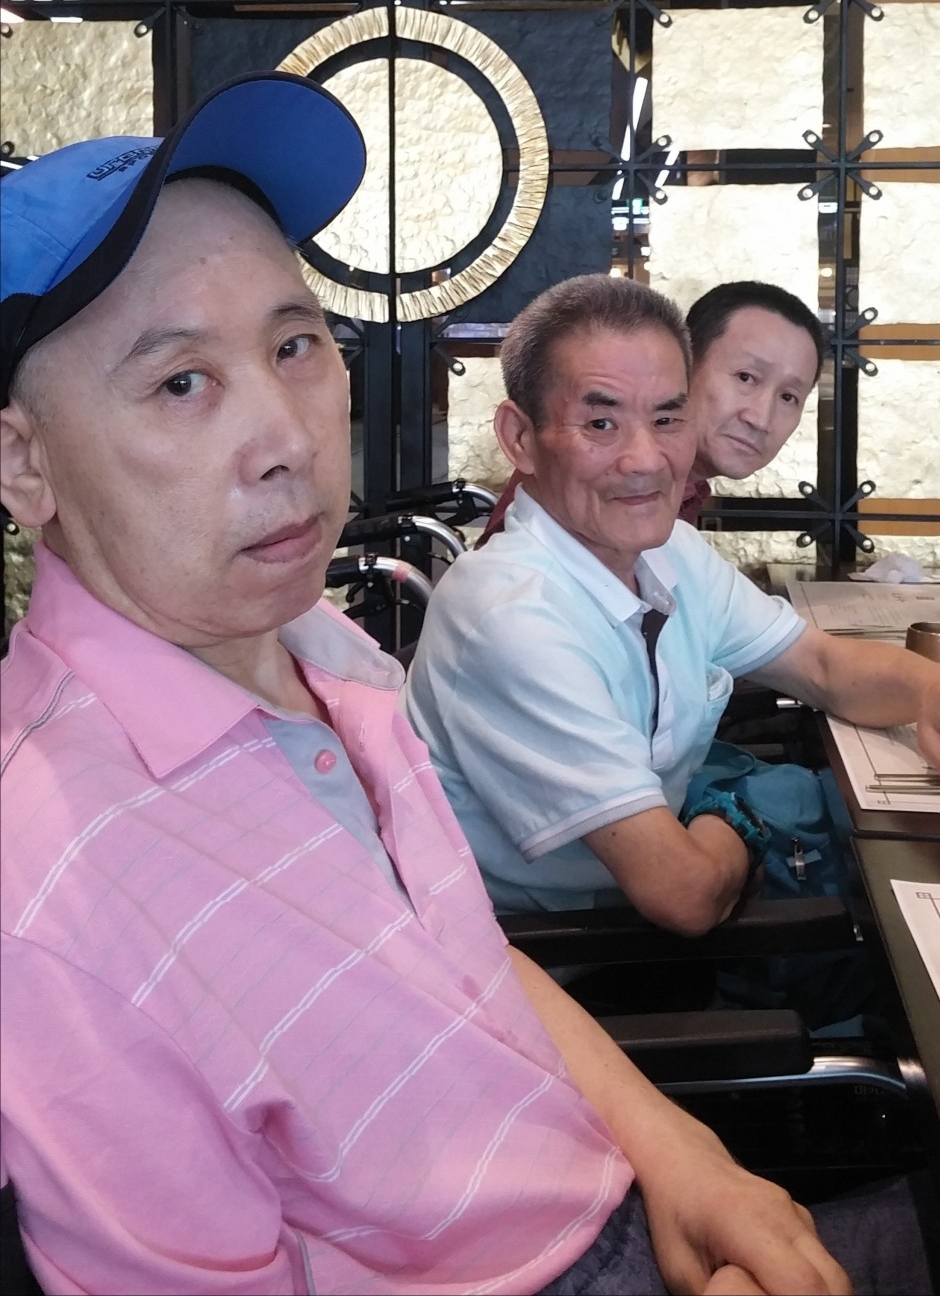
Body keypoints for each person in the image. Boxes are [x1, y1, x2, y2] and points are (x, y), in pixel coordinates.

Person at [0, 79, 869, 1296]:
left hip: (611, 1180)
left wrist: (684, 1157)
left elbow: (463, 959)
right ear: (23, 461)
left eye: (296, 346)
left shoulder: (327, 653)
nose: (289, 438)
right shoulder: (51, 887)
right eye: (181, 382)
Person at [405, 274, 940, 933]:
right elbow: (684, 895)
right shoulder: (512, 615)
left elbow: (821, 665)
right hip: (555, 956)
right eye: (601, 422)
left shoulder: (668, 552)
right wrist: (740, 815)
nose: (646, 459)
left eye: (667, 419)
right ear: (520, 438)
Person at [478, 279, 824, 542]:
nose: (760, 419)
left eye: (788, 397)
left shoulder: (681, 491)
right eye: (746, 377)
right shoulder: (607, 486)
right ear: (683, 366)